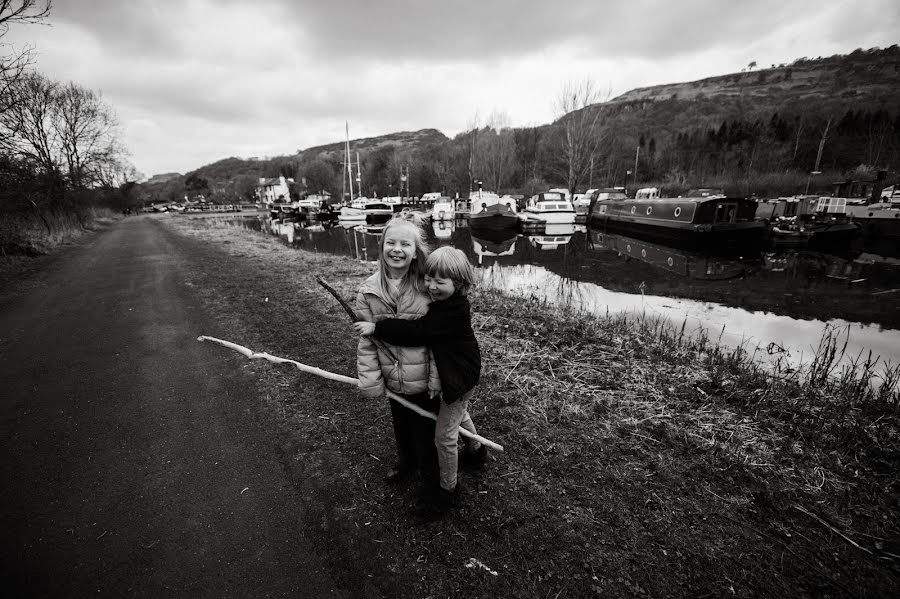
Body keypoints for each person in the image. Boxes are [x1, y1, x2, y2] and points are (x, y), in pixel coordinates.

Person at [353, 246, 486, 515]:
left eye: (440, 281)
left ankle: (447, 490)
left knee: (444, 437)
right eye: (429, 278)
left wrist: (377, 327)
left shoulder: (452, 311)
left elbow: (418, 331)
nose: (432, 286)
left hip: (458, 376)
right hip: (458, 371)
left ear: (459, 283)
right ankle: (476, 446)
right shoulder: (446, 303)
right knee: (458, 412)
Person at [354, 212, 441, 493]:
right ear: (381, 247)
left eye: (405, 244)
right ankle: (406, 462)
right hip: (393, 377)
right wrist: (370, 379)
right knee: (401, 426)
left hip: (424, 377)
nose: (397, 250)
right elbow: (366, 342)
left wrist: (437, 379)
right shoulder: (368, 290)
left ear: (416, 253)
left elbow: (439, 340)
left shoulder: (428, 288)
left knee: (426, 432)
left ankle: (432, 480)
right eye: (391, 243)